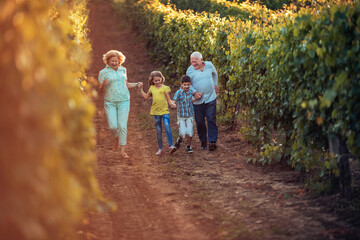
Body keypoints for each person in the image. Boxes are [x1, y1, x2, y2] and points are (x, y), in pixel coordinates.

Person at [98, 50, 142, 158]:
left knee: (122, 126)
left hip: (124, 100)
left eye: (116, 61)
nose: (114, 63)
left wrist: (136, 84)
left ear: (119, 61)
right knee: (113, 126)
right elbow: (100, 90)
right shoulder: (103, 72)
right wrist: (103, 84)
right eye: (112, 61)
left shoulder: (123, 69)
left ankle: (123, 151)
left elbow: (125, 84)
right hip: (110, 101)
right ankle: (116, 138)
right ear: (107, 61)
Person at [186, 51, 219, 151]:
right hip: (198, 101)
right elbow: (187, 84)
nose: (193, 64)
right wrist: (195, 92)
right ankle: (203, 141)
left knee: (211, 118)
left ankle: (212, 142)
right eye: (192, 62)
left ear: (201, 60)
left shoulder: (209, 65)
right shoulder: (190, 71)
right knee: (200, 122)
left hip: (210, 97)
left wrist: (216, 84)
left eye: (195, 61)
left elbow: (215, 74)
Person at [139, 71, 177, 155]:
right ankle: (160, 148)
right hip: (155, 112)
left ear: (161, 79)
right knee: (158, 130)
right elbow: (146, 97)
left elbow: (168, 99)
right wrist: (141, 89)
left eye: (159, 80)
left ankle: (171, 146)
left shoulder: (165, 88)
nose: (157, 82)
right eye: (155, 81)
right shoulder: (152, 88)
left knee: (167, 126)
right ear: (152, 81)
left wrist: (172, 104)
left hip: (164, 111)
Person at [172, 75, 201, 154]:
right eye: (185, 85)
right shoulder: (178, 93)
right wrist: (173, 103)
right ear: (181, 84)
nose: (186, 86)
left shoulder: (191, 92)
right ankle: (179, 140)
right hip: (181, 116)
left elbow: (190, 101)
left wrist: (196, 98)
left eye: (188, 84)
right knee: (183, 132)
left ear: (190, 84)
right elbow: (174, 100)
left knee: (190, 131)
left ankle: (188, 146)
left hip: (190, 115)